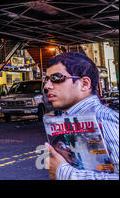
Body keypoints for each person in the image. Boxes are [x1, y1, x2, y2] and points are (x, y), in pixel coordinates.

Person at [44, 52, 119, 180]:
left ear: (84, 84)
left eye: (57, 78)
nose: (47, 86)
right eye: (47, 79)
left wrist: (65, 173)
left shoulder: (103, 118)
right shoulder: (70, 118)